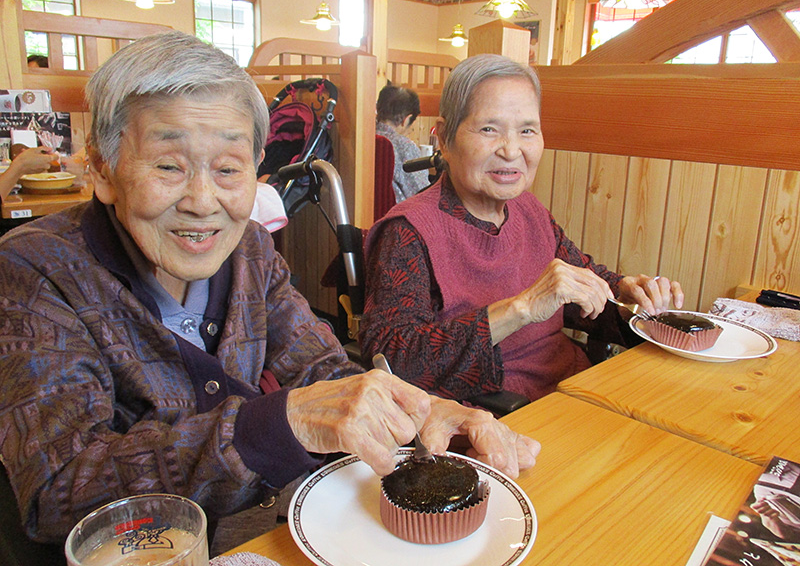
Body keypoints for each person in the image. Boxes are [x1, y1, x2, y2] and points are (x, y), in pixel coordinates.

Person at [0, 33, 539, 558]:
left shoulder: (250, 250)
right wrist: (280, 423)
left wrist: (425, 410)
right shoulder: (35, 268)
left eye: (229, 169)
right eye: (169, 166)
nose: (202, 200)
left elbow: (323, 368)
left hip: (256, 541)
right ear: (103, 169)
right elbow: (56, 491)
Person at [361, 54, 684, 403]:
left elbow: (581, 285)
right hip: (497, 417)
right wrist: (521, 308)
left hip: (576, 388)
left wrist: (630, 299)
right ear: (443, 138)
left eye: (527, 130)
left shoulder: (529, 210)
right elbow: (392, 358)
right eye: (489, 129)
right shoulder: (409, 231)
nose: (512, 150)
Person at [376, 83, 429, 203]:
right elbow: (421, 194)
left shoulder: (365, 137)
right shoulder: (403, 146)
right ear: (406, 120)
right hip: (398, 217)